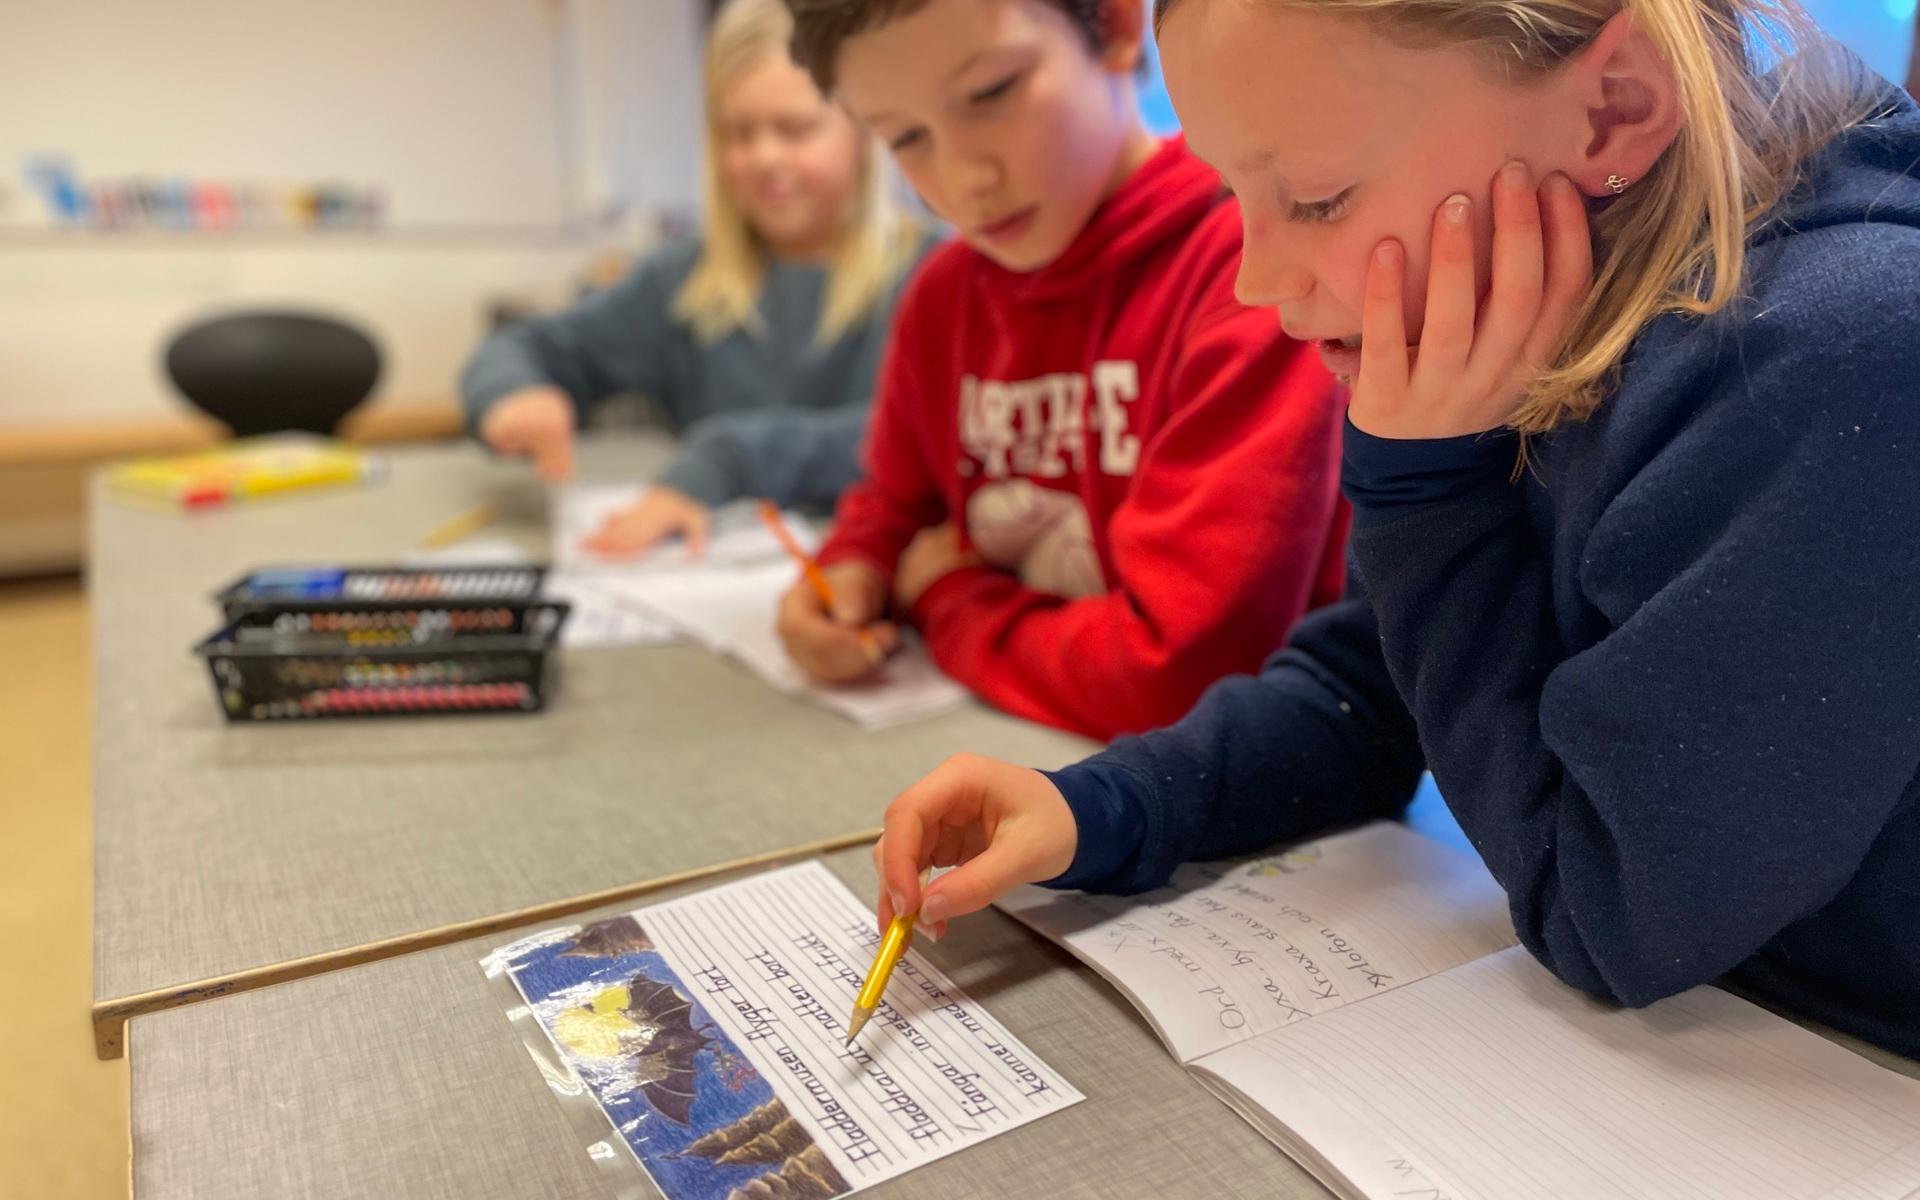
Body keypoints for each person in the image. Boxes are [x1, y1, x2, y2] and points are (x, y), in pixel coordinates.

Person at [871, 0, 1920, 1059]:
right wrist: (1108, 808)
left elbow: (1607, 910)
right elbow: (1374, 691)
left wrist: (1424, 490)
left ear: (1614, 107)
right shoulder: (1527, 307)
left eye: (1319, 198)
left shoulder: (1837, 359)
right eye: (1236, 194)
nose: (1259, 284)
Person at [774, 0, 1349, 740]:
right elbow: (898, 506)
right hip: (1019, 741)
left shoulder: (1253, 276)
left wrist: (948, 599)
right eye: (906, 137)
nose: (962, 177)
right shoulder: (944, 298)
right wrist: (855, 573)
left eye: (991, 93)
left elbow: (1181, 673)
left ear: (1112, 25)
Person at [462, 0, 931, 557]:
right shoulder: (684, 276)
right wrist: (517, 393)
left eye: (795, 128)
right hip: (709, 579)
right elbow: (523, 346)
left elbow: (914, 437)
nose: (763, 157)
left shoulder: (934, 275)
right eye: (737, 132)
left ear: (865, 130)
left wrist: (728, 458)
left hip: (878, 574)